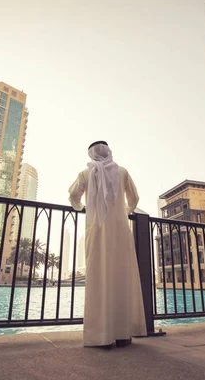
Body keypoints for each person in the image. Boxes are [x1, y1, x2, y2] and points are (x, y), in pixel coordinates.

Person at [68, 141, 146, 348]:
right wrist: (125, 212)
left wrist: (82, 207)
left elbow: (73, 196)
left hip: (97, 228)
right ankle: (123, 334)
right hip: (120, 229)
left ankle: (100, 336)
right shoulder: (122, 171)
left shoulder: (86, 173)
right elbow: (134, 198)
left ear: (91, 154)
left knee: (98, 276)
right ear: (109, 151)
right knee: (121, 275)